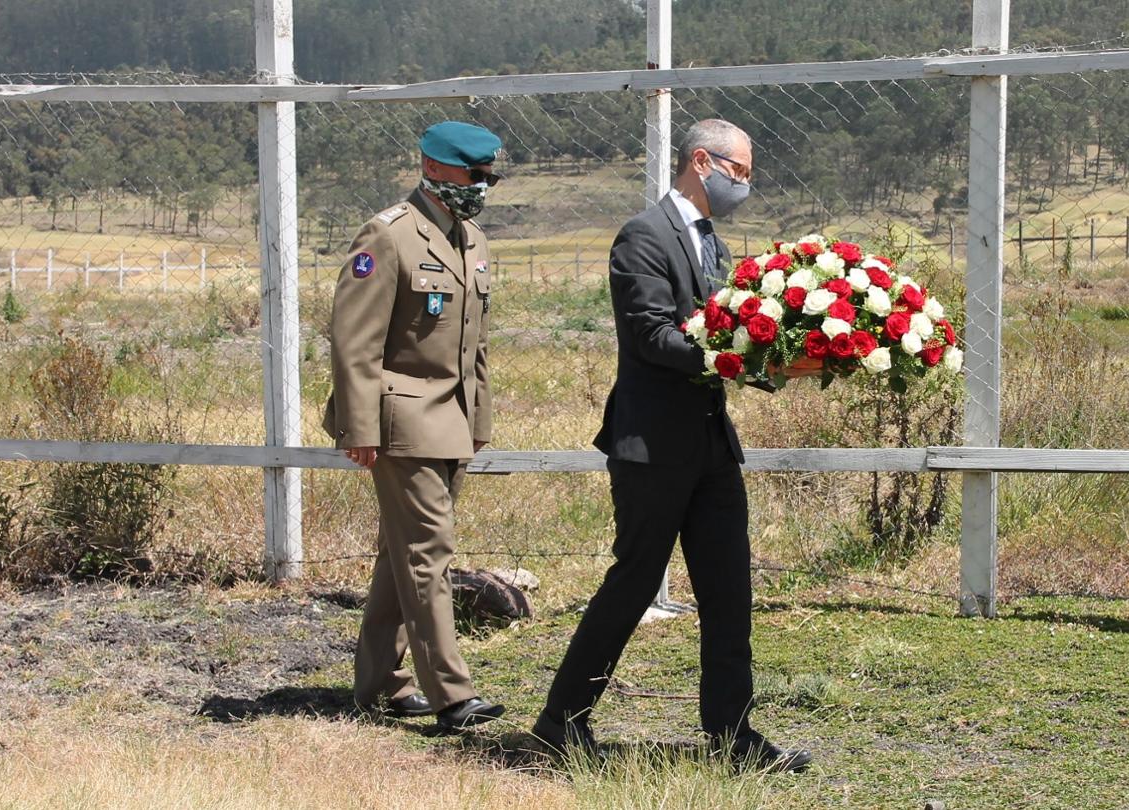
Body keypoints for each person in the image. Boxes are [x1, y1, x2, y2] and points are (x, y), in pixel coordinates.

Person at [531, 119, 813, 772]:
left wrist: (778, 361)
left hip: (710, 446)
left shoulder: (709, 241)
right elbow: (652, 337)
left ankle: (733, 735)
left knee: (728, 588)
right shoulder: (643, 237)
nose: (745, 183)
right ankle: (561, 722)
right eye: (739, 171)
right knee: (632, 587)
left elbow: (727, 331)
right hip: (652, 448)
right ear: (701, 161)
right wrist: (740, 360)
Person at [323, 120, 504, 732]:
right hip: (400, 419)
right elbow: (354, 342)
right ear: (434, 168)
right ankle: (452, 694)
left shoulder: (471, 240)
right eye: (473, 175)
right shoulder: (390, 235)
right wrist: (359, 428)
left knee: (401, 555)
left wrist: (478, 417)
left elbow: (474, 345)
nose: (483, 185)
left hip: (450, 420)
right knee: (429, 552)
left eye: (488, 175)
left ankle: (379, 683)